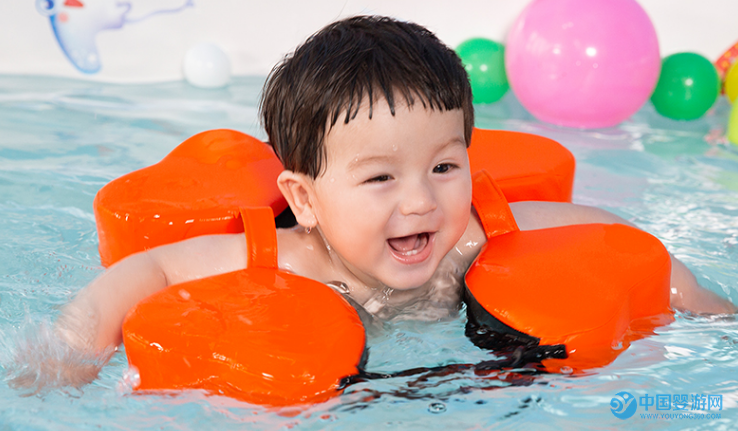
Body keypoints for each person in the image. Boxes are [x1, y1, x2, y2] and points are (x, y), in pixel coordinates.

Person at [10, 15, 735, 393]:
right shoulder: (284, 254)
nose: (421, 200)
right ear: (307, 198)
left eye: (445, 165)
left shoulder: (470, 238)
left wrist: (699, 301)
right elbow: (150, 273)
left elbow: (611, 236)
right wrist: (68, 353)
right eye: (380, 179)